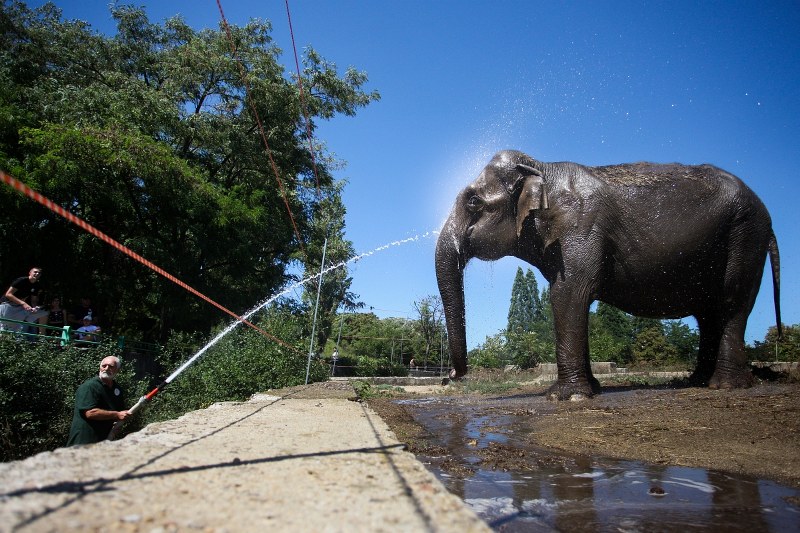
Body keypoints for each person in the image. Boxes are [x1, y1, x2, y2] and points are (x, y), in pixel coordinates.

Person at [67, 355, 130, 445]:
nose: (106, 368)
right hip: (84, 441)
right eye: (104, 366)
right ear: (100, 368)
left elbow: (120, 412)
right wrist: (117, 415)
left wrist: (124, 416)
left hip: (105, 440)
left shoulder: (117, 389)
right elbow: (90, 413)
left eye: (111, 366)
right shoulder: (89, 387)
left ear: (118, 370)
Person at [0, 267, 49, 333]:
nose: (37, 274)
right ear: (30, 273)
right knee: (6, 329)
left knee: (44, 313)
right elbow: (8, 294)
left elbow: (33, 301)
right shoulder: (21, 280)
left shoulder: (37, 285)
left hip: (20, 308)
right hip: (8, 306)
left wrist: (34, 308)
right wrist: (23, 303)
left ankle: (42, 337)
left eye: (39, 273)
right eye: (35, 272)